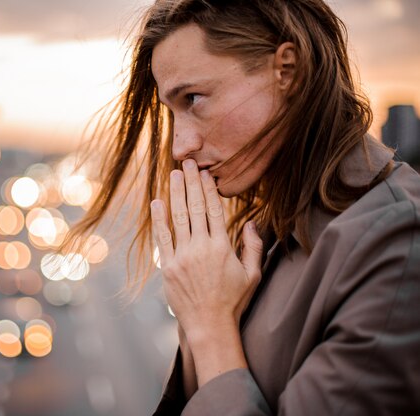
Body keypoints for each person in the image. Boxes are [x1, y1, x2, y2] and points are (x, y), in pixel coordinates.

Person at [66, 0, 420, 414]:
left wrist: (210, 324)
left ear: (287, 70)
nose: (180, 146)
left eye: (194, 99)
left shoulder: (398, 241)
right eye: (172, 110)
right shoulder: (268, 226)